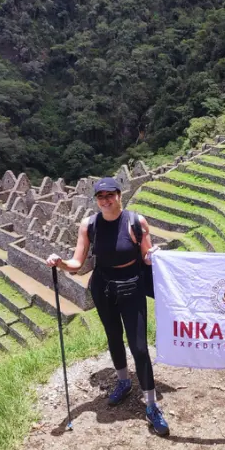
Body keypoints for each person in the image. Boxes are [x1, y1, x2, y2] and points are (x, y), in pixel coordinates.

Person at [46, 177, 169, 436]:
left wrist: (154, 254)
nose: (105, 200)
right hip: (102, 286)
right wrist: (59, 263)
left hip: (132, 285)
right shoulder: (89, 225)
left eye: (109, 195)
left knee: (138, 346)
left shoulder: (136, 222)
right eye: (100, 197)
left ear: (119, 195)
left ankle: (151, 404)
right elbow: (77, 263)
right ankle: (123, 382)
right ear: (96, 200)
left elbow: (146, 259)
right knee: (113, 337)